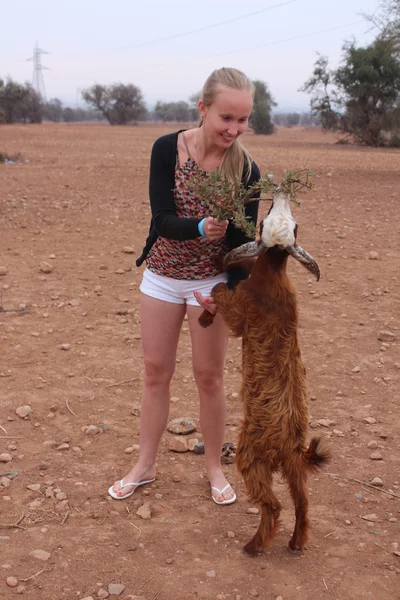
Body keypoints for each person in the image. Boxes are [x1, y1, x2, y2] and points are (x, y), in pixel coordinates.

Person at [108, 67, 260, 505]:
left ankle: (214, 468)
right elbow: (161, 222)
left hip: (209, 284)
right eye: (225, 118)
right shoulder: (167, 150)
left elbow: (243, 246)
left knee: (209, 378)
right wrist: (200, 226)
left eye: (242, 120)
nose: (234, 129)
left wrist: (227, 291)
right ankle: (145, 464)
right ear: (203, 108)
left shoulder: (246, 169)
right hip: (161, 278)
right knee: (156, 374)